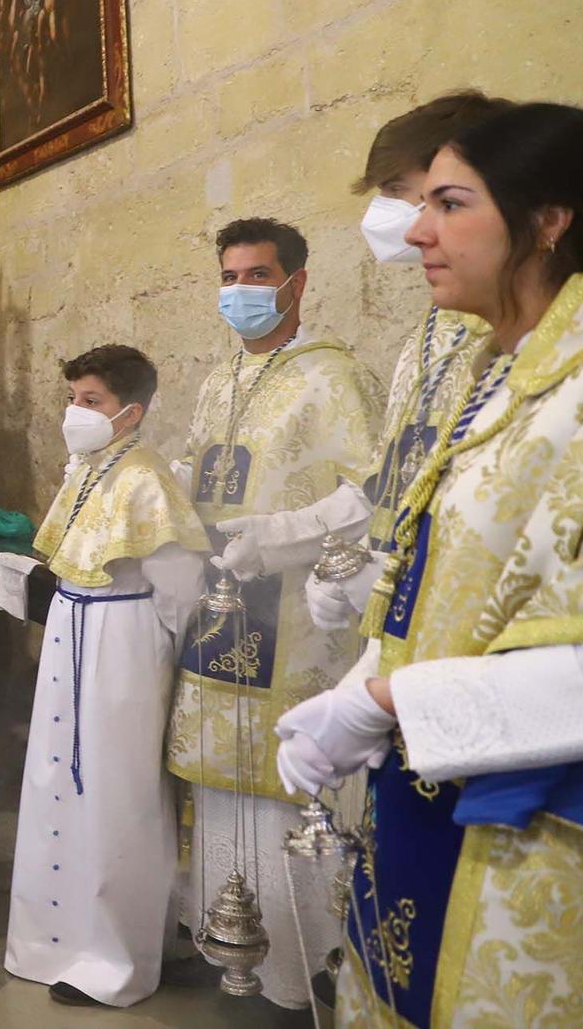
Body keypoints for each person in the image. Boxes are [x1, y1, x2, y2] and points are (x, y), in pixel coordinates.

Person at [274, 103, 583, 1029]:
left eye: (449, 203)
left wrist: (383, 705)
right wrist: (368, 677)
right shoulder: (486, 368)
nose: (417, 227)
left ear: (548, 219)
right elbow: (442, 576)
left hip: (535, 828)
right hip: (421, 789)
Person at [166, 217, 383, 1013]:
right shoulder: (219, 381)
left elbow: (371, 494)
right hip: (219, 612)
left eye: (257, 276)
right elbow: (205, 473)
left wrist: (280, 539)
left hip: (292, 618)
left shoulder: (337, 377)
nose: (240, 292)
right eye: (229, 276)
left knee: (287, 791)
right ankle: (222, 947)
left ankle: (299, 978)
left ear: (297, 281)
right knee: (221, 788)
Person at [211, 94, 513, 636]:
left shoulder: (528, 334)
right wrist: (284, 536)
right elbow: (388, 483)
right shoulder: (433, 327)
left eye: (400, 192)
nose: (410, 227)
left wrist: (390, 575)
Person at [3, 346, 207, 1008]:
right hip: (73, 631)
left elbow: (179, 589)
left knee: (116, 792)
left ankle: (115, 959)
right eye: (72, 398)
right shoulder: (90, 469)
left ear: (130, 412)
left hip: (122, 641)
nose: (74, 412)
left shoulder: (148, 477)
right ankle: (51, 942)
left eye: (89, 401)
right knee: (54, 781)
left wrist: (148, 662)